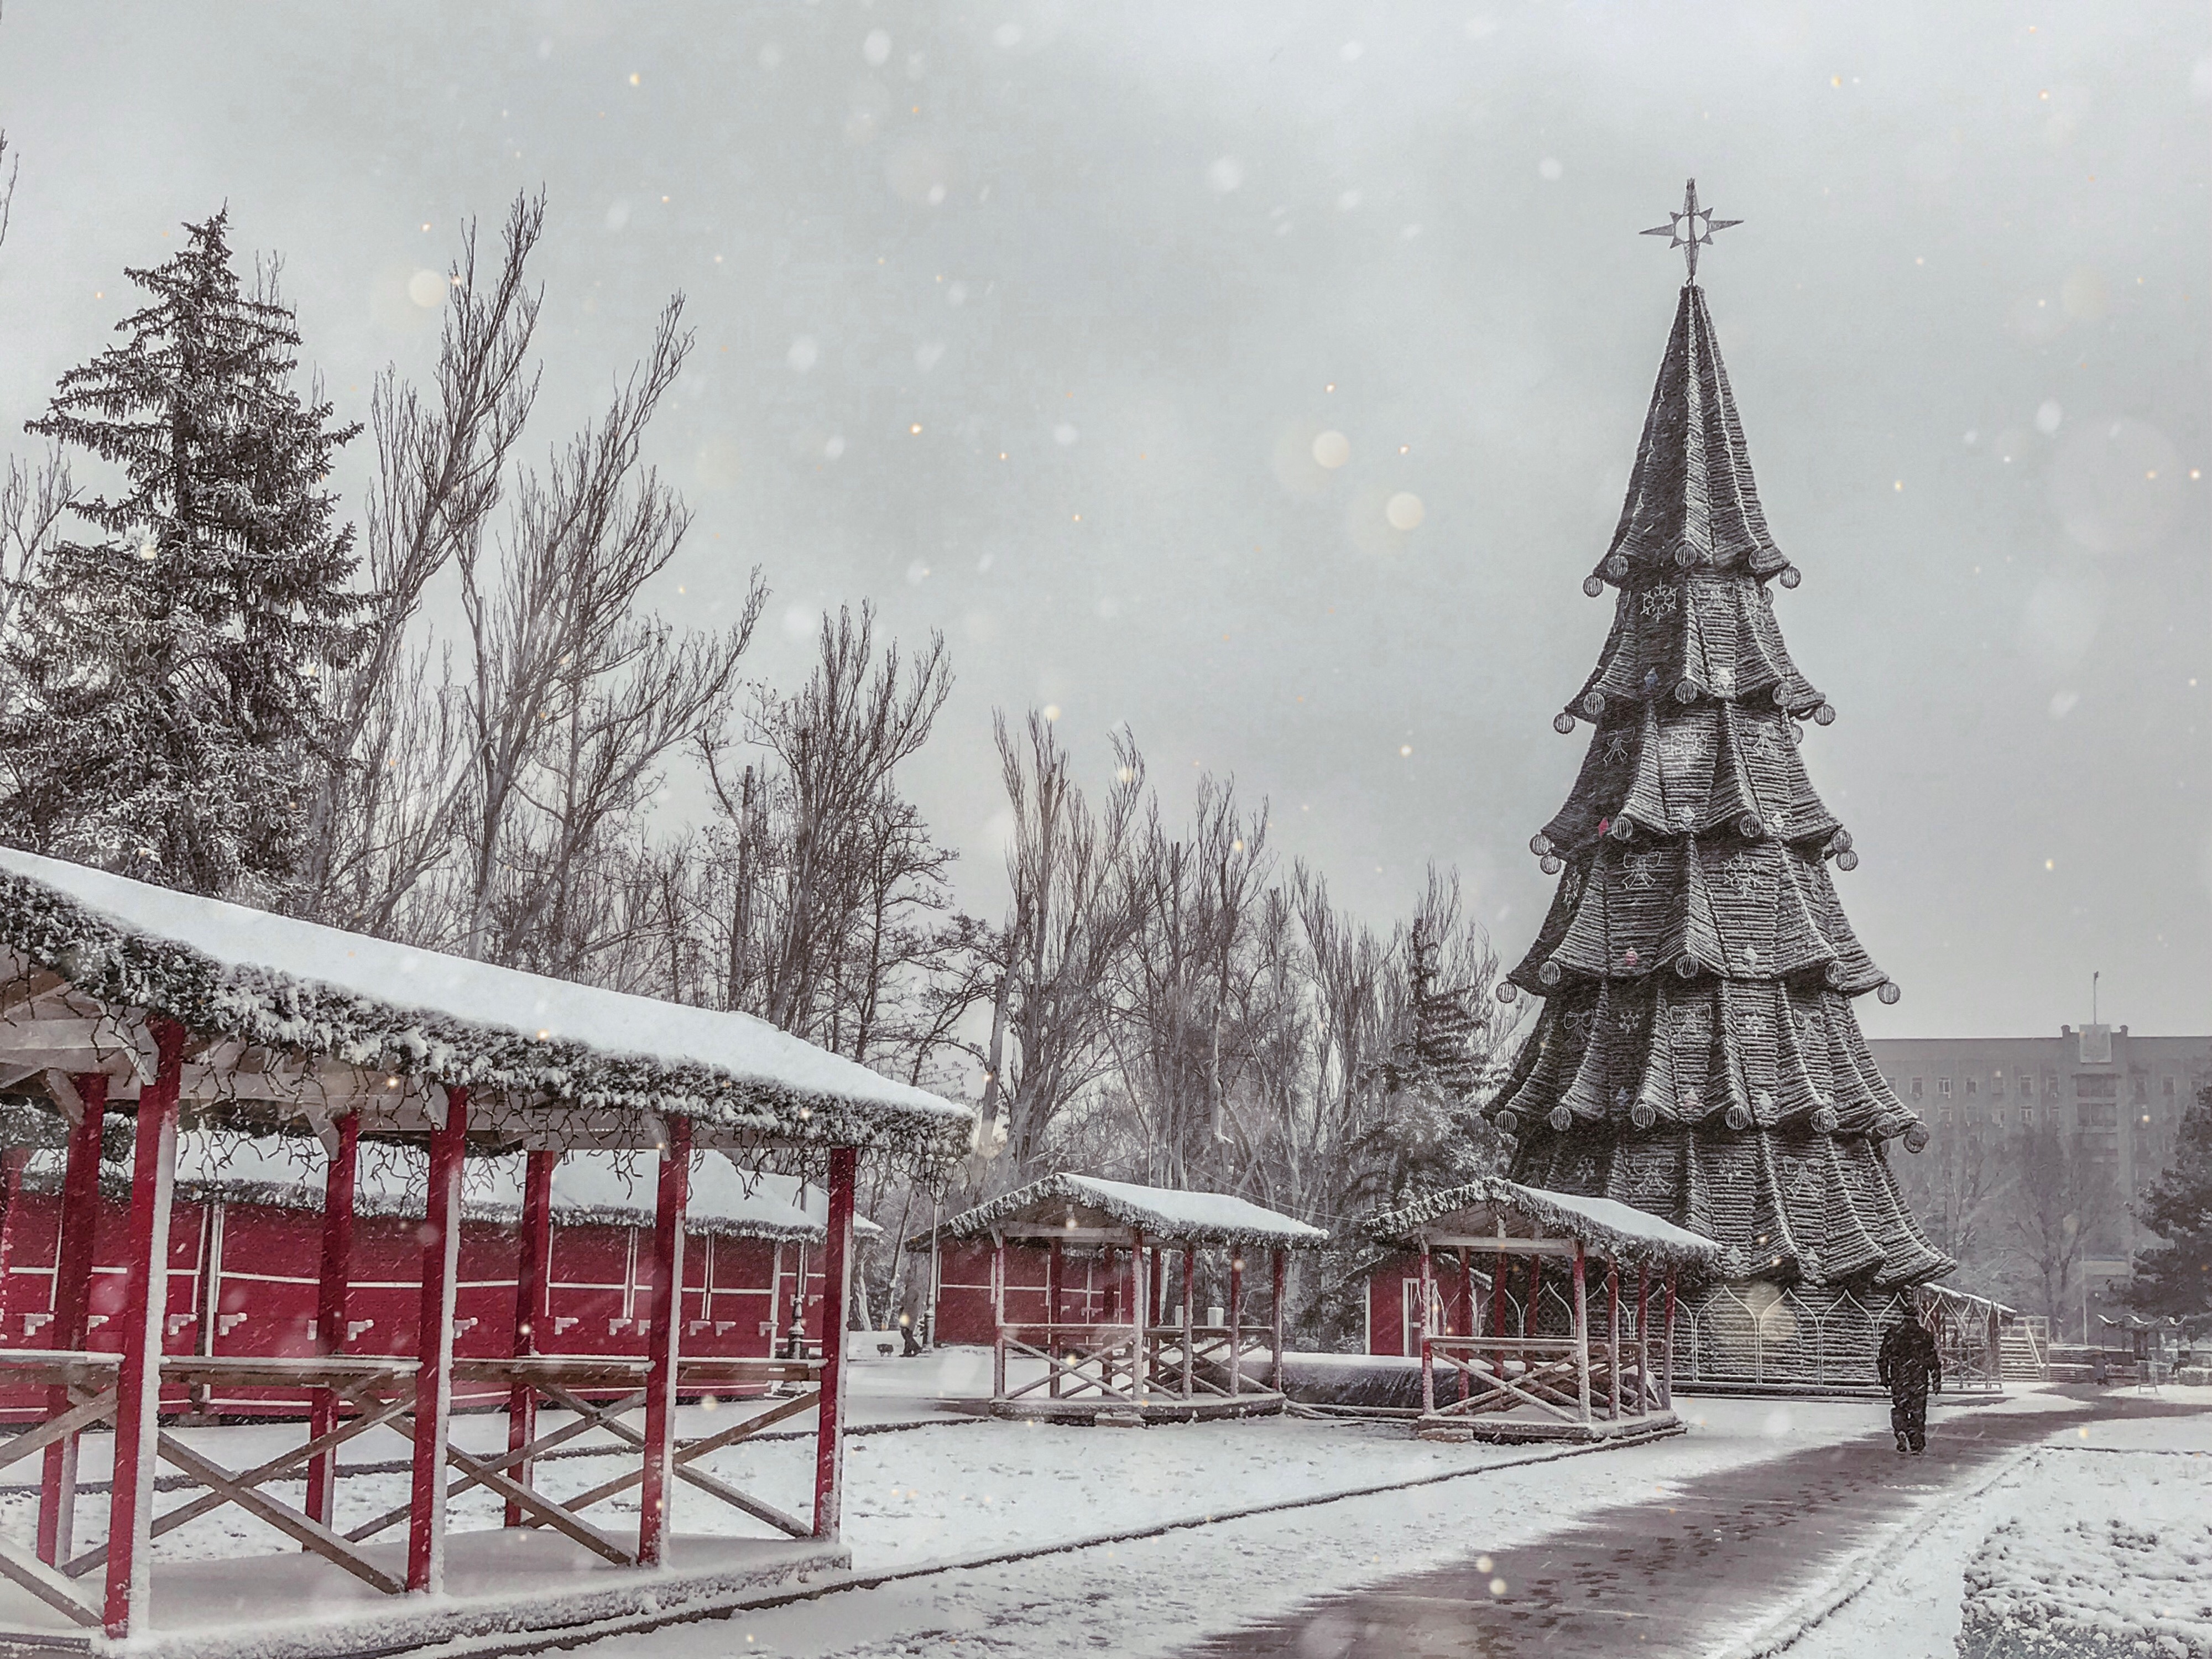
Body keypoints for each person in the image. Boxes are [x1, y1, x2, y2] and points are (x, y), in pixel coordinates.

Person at [1876, 1311, 1943, 1454]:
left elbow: (1883, 1357)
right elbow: (1933, 1360)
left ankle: (1900, 1430)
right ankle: (1916, 1442)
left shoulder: (1893, 1334)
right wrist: (1936, 1380)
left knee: (1900, 1407)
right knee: (1917, 1411)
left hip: (1899, 1378)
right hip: (1918, 1379)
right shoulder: (1924, 1336)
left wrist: (1884, 1376)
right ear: (1917, 1317)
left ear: (1903, 1316)